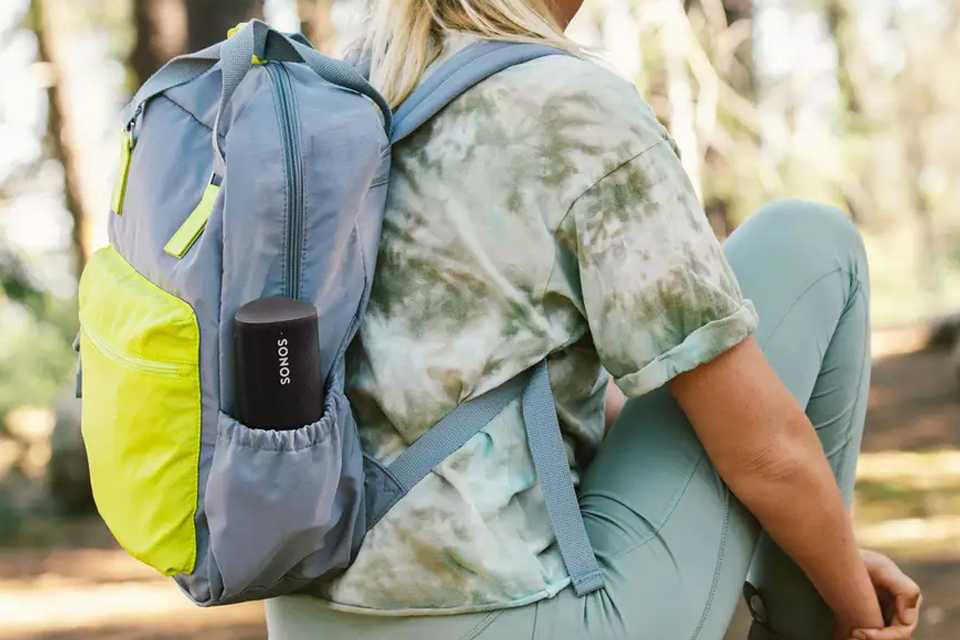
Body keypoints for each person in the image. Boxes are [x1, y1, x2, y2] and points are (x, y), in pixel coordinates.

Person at [266, 1, 922, 638]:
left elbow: (508, 394)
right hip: (494, 616)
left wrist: (818, 550)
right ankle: (808, 622)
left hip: (301, 611)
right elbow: (765, 452)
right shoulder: (573, 110)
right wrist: (854, 604)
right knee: (809, 242)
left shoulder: (355, 90)